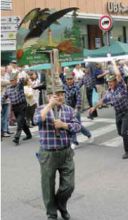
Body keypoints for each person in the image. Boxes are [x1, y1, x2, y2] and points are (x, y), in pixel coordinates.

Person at [34, 86, 81, 220]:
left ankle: (61, 204)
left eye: (61, 94)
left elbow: (77, 126)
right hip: (48, 154)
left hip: (66, 152)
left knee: (69, 186)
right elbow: (36, 120)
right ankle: (52, 214)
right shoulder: (41, 109)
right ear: (49, 96)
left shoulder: (69, 110)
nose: (59, 97)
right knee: (48, 186)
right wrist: (49, 106)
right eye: (56, 95)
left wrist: (64, 125)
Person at [89, 60, 128, 159]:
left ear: (115, 81)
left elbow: (118, 74)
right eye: (108, 82)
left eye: (111, 81)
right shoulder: (109, 92)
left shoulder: (121, 87)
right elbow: (102, 100)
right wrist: (94, 108)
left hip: (126, 112)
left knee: (124, 132)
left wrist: (114, 63)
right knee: (120, 133)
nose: (109, 83)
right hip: (118, 113)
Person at [60, 72, 93, 149]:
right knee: (74, 125)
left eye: (70, 79)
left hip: (75, 108)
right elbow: (60, 75)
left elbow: (78, 99)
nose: (69, 80)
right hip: (67, 108)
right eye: (68, 79)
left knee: (76, 125)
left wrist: (76, 109)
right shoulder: (64, 86)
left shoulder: (76, 87)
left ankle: (75, 141)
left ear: (73, 79)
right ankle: (86, 136)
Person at [2, 72, 32, 145]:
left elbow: (22, 79)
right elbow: (3, 97)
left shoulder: (19, 85)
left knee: (19, 121)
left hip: (22, 105)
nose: (12, 82)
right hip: (15, 107)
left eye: (13, 80)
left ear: (16, 80)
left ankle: (17, 138)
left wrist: (19, 73)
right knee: (22, 122)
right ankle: (29, 135)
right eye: (11, 81)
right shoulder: (8, 89)